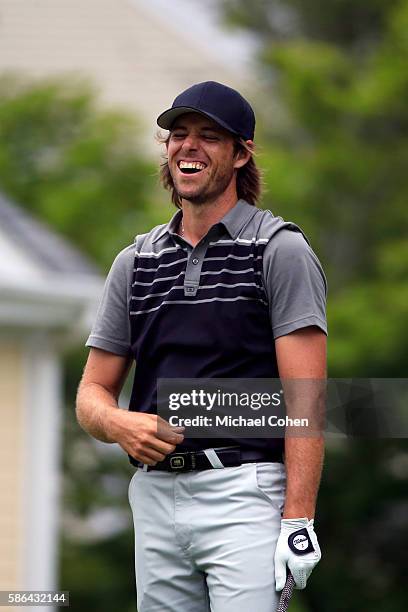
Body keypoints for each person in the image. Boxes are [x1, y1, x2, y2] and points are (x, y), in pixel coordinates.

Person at [76, 81, 327, 611]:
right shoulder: (136, 261)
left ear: (240, 154)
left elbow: (305, 399)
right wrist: (118, 423)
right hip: (153, 498)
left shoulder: (279, 250)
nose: (188, 146)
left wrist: (299, 519)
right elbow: (92, 393)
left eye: (209, 136)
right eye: (178, 134)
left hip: (247, 493)